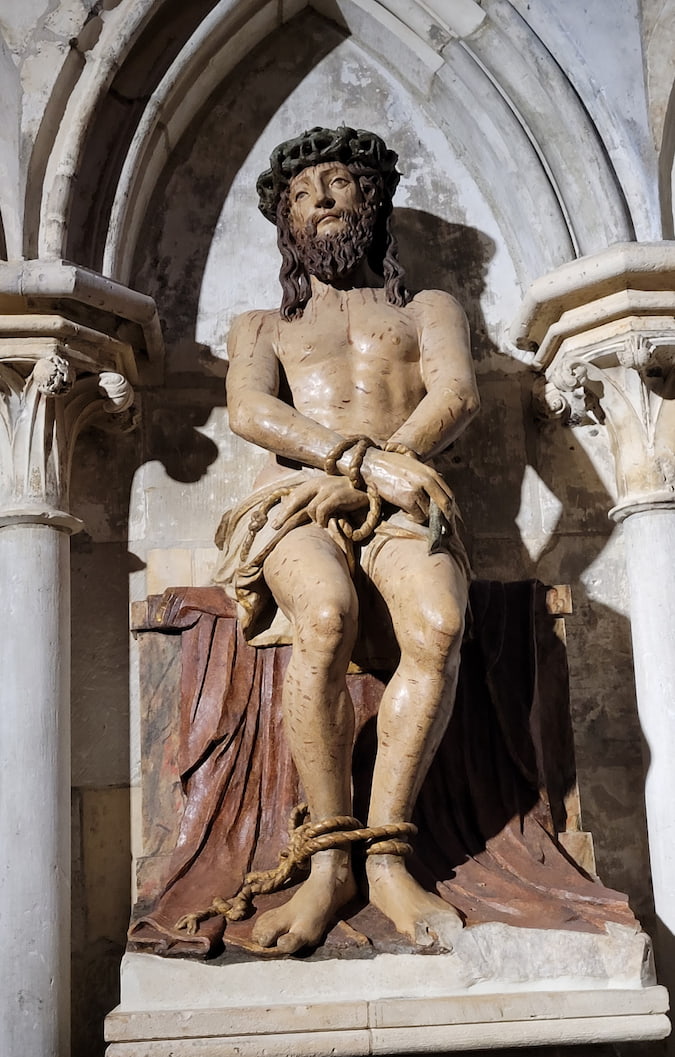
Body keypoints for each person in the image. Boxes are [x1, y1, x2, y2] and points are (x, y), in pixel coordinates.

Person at [214, 127, 480, 954]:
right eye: (300, 195)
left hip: (402, 499)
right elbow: (252, 412)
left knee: (437, 626)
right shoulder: (262, 324)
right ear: (284, 224)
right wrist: (361, 461)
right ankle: (330, 864)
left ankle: (389, 858)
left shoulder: (427, 309)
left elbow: (458, 394)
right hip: (297, 501)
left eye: (336, 184)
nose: (319, 201)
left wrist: (386, 471)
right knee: (324, 615)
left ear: (372, 198)